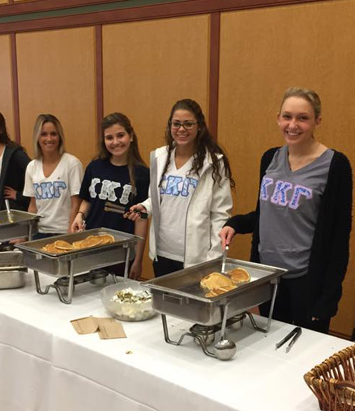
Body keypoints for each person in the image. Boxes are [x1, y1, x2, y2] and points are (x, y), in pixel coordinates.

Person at [219, 88, 353, 334]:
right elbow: (268, 212)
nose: (293, 125)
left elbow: (338, 238)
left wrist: (327, 300)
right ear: (278, 118)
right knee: (271, 349)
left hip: (306, 282)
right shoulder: (270, 158)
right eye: (287, 116)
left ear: (317, 122)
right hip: (269, 277)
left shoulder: (336, 165)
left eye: (303, 118)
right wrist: (235, 223)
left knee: (304, 359)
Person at [126, 99, 233, 276]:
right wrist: (145, 206)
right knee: (163, 302)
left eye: (188, 124)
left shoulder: (213, 163)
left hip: (196, 258)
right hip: (162, 253)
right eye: (176, 124)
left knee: (192, 304)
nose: (181, 129)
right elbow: (157, 197)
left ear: (199, 126)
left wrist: (213, 257)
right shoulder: (159, 157)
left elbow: (220, 214)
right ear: (170, 126)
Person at [72, 113, 150, 279]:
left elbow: (142, 220)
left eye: (120, 135)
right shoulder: (94, 167)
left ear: (131, 136)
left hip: (122, 253)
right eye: (109, 137)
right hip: (91, 247)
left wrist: (138, 259)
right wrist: (80, 215)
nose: (115, 142)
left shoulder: (142, 174)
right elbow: (87, 199)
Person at [22, 114, 83, 237]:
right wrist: (26, 234)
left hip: (64, 231)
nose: (49, 139)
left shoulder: (72, 164)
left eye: (53, 134)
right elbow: (33, 206)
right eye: (43, 134)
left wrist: (70, 232)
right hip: (40, 232)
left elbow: (76, 202)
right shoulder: (32, 167)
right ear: (37, 138)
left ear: (60, 137)